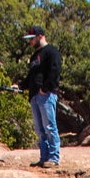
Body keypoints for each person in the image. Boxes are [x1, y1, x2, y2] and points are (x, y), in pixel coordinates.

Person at [21, 25, 62, 169]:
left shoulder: (52, 52)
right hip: (34, 96)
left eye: (32, 39)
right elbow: (31, 76)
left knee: (49, 127)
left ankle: (53, 158)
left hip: (46, 95)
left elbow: (55, 71)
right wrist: (20, 86)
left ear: (40, 36)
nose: (30, 42)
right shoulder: (34, 56)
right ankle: (44, 157)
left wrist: (45, 88)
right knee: (40, 130)